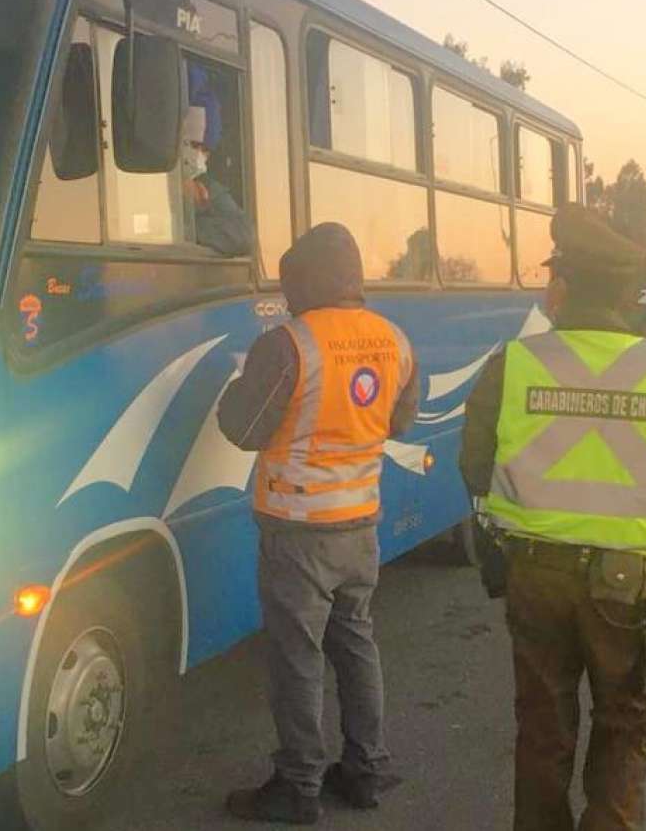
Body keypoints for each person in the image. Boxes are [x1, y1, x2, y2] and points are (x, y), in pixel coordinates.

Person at [459, 204, 646, 831]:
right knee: (624, 728)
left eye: (552, 276)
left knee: (544, 731)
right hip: (631, 587)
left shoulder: (515, 363)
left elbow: (475, 463)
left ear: (566, 285)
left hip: (536, 577)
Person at [217, 222, 419, 824]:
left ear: (304, 280)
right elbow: (398, 422)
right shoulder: (394, 339)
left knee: (297, 657)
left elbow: (244, 428)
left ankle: (298, 785)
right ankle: (366, 769)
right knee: (356, 643)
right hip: (360, 524)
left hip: (298, 529)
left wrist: (235, 387)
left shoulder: (288, 345)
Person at [183, 65, 251, 257]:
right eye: (194, 146)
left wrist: (190, 213)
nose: (199, 157)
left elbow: (242, 236)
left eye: (206, 151)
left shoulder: (207, 189)